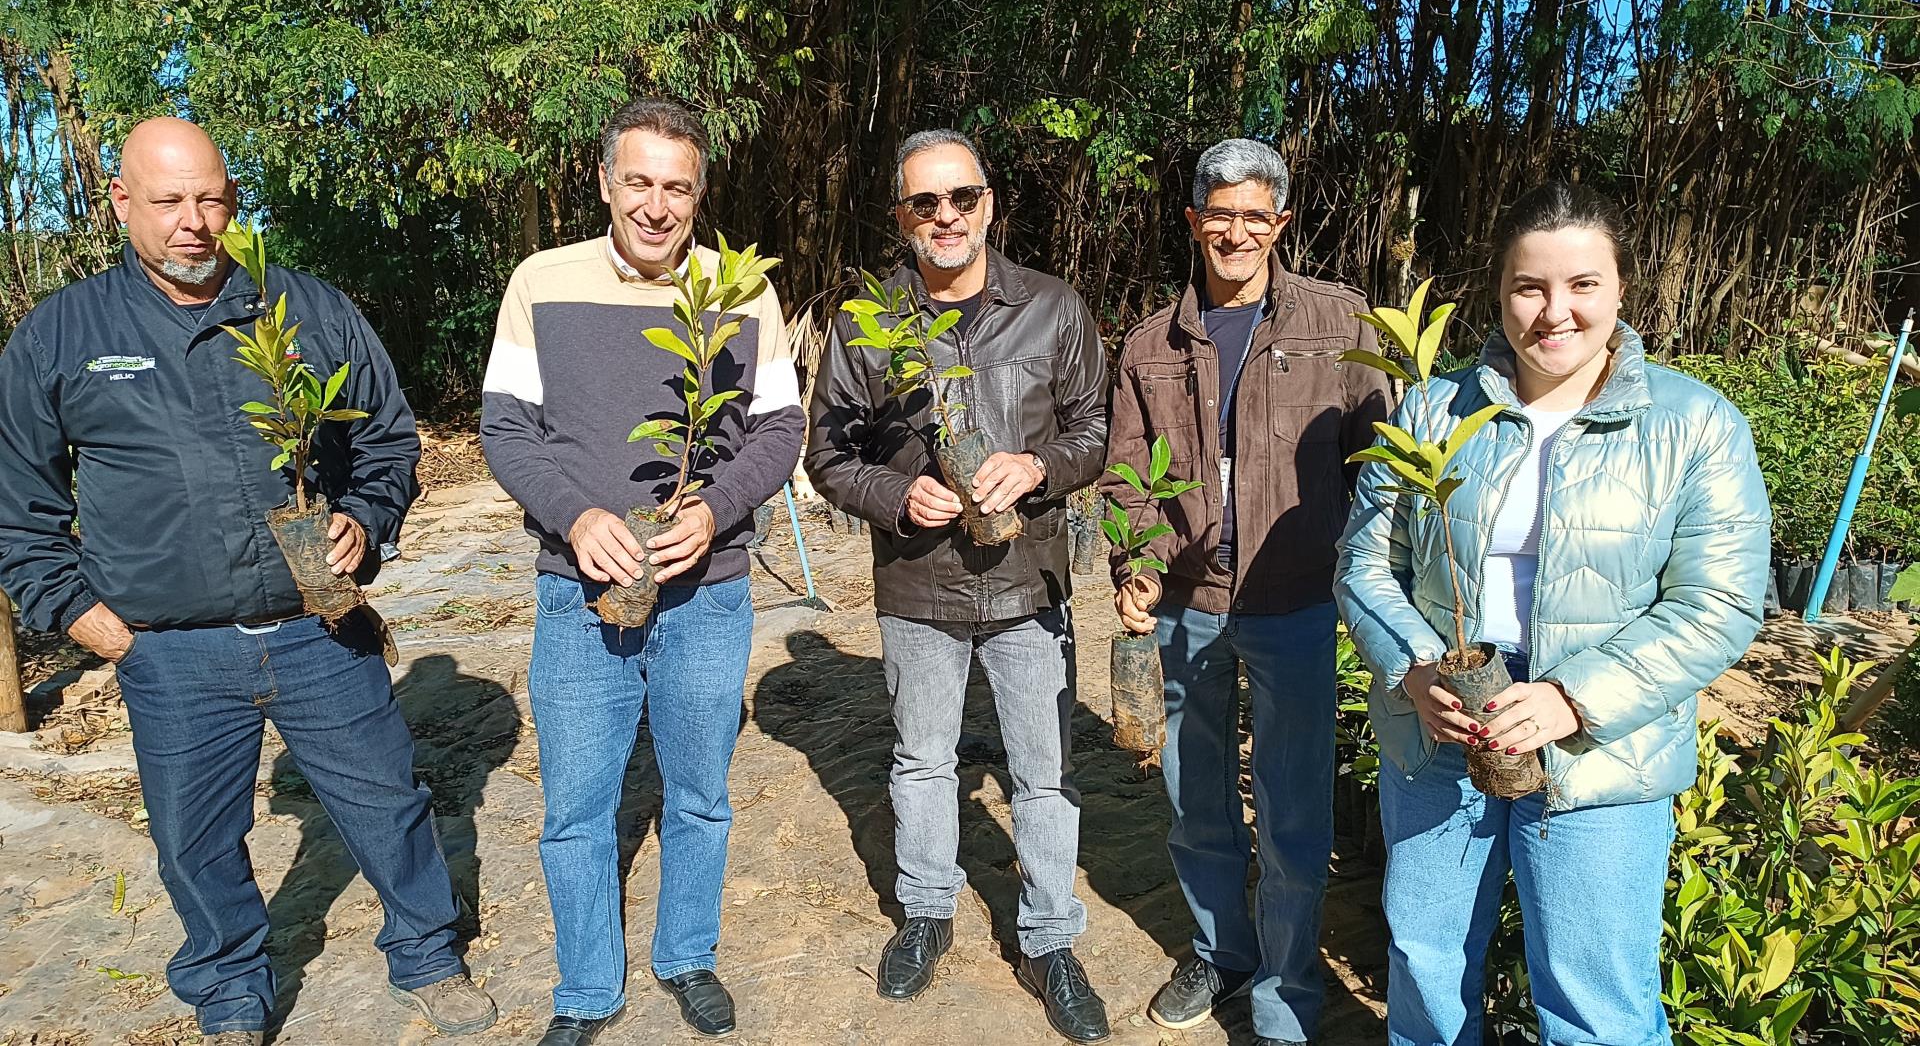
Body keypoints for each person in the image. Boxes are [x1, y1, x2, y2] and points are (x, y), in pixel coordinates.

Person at [0, 118, 495, 1044]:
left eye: (213, 199)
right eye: (169, 202)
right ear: (121, 204)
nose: (196, 223)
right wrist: (77, 614)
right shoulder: (64, 334)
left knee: (387, 801)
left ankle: (428, 951)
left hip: (320, 627)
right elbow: (16, 500)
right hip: (171, 650)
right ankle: (229, 987)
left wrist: (365, 520)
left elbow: (386, 438)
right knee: (195, 837)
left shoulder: (300, 308)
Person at [1335, 182, 1770, 1045]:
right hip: (1444, 722)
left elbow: (1718, 602)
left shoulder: (1693, 425)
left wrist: (1572, 698)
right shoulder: (1433, 410)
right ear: (1500, 292)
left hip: (1602, 745)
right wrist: (1414, 667)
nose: (1555, 312)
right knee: (1424, 965)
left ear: (1620, 290)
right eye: (1530, 287)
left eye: (1583, 285)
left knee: (1593, 994)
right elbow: (1365, 562)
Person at [480, 96, 803, 1046]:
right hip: (578, 591)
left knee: (699, 792)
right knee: (577, 804)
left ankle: (687, 956)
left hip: (711, 591)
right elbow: (505, 428)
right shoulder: (542, 281)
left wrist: (714, 507)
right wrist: (575, 516)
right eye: (640, 182)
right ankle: (585, 989)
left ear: (699, 195)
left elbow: (782, 428)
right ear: (605, 181)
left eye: (678, 188)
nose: (657, 207)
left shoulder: (739, 291)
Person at [804, 129, 1111, 1042]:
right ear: (900, 218)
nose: (946, 217)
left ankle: (1051, 939)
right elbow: (827, 454)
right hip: (919, 584)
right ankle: (927, 914)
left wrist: (1039, 467)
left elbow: (1096, 429)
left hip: (1028, 580)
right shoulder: (869, 324)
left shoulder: (1053, 309)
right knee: (923, 762)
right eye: (924, 204)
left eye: (962, 198)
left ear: (990, 205)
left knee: (1042, 776)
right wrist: (899, 494)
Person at [1101, 138, 1389, 1046]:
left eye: (1253, 216)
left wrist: (1364, 574)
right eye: (1217, 215)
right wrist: (1133, 564)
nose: (1234, 232)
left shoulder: (1339, 325)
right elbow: (1124, 481)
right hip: (1188, 605)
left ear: (1281, 223)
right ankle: (1219, 952)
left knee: (1296, 809)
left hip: (1298, 603)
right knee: (1197, 802)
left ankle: (1285, 985)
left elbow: (1383, 462)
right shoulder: (1153, 342)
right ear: (1193, 222)